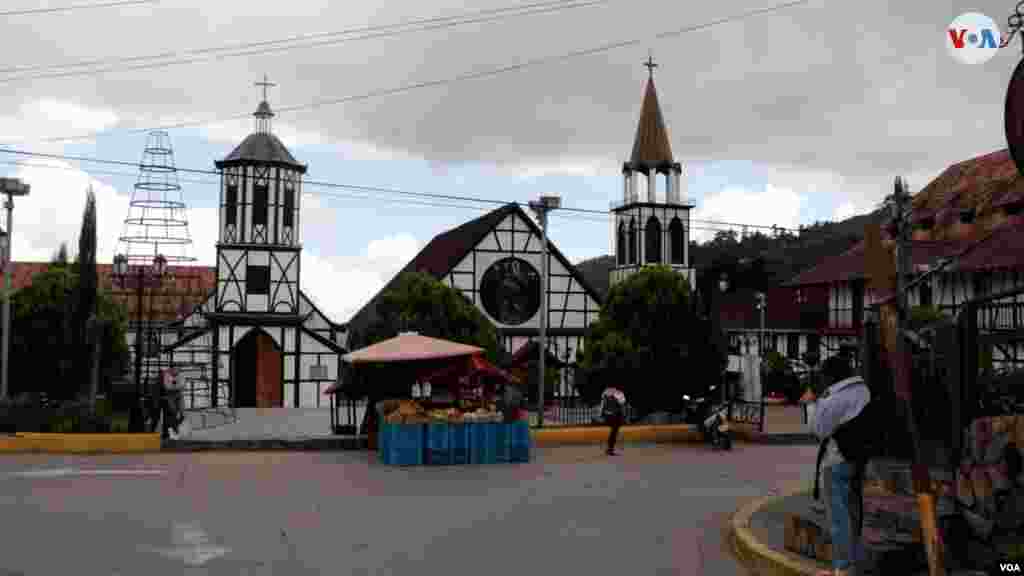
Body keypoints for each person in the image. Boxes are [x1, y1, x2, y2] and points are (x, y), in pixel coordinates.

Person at [805, 359, 868, 576]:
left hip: (836, 461)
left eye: (823, 376)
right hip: (859, 460)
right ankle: (854, 562)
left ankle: (844, 568)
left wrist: (812, 402)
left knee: (838, 518)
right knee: (854, 514)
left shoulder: (834, 399)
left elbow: (818, 430)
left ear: (831, 377)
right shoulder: (863, 391)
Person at [601, 387, 626, 456]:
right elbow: (622, 405)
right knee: (614, 432)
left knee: (613, 432)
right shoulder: (619, 393)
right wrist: (623, 416)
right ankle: (610, 449)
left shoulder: (606, 391)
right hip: (615, 415)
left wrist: (602, 414)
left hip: (607, 415)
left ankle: (610, 448)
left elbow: (603, 404)